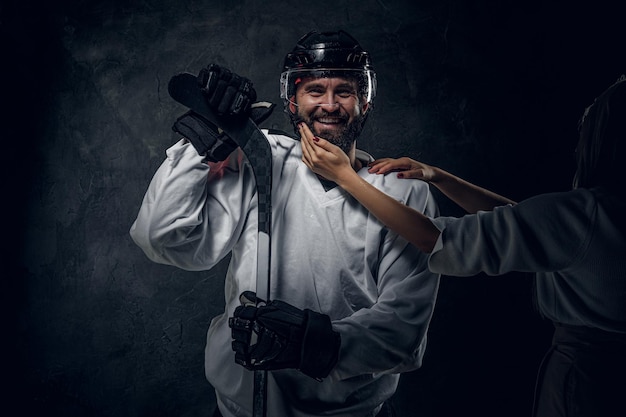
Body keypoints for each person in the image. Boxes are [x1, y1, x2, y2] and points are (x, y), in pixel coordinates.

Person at [130, 30, 440, 417]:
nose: (330, 104)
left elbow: (404, 333)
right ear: (293, 100)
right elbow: (162, 237)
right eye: (315, 89)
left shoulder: (403, 195)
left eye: (344, 90)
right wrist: (204, 141)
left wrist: (314, 343)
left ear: (365, 101)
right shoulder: (262, 158)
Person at [301, 75, 626, 417]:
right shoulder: (592, 216)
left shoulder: (585, 213)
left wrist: (346, 178)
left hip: (591, 384)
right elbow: (524, 221)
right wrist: (440, 177)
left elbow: (434, 239)